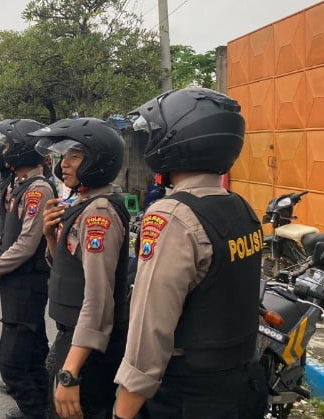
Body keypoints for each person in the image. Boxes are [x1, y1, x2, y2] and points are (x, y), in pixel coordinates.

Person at [113, 88, 266, 419]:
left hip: (187, 395)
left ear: (175, 139)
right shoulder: (240, 207)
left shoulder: (172, 216)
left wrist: (123, 411)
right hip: (243, 386)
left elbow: (151, 329)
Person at [30, 118, 130, 419]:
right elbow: (70, 268)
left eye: (75, 155)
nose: (64, 164)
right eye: (63, 156)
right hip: (73, 340)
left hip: (87, 351)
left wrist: (70, 372)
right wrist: (50, 235)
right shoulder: (83, 203)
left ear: (99, 158)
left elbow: (98, 299)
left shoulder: (99, 212)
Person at [0, 119, 56, 419]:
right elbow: (10, 231)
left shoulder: (38, 190)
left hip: (29, 281)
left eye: (9, 145)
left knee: (11, 363)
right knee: (34, 345)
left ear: (23, 148)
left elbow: (26, 244)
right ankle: (43, 403)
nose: (4, 151)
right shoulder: (20, 184)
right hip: (16, 280)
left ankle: (35, 411)